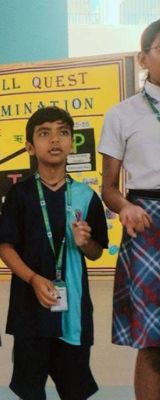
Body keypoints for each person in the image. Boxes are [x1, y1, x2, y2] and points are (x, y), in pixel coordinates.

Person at [0, 107, 107, 400]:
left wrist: (85, 243)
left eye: (63, 132)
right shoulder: (19, 194)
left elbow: (96, 252)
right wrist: (33, 279)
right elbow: (5, 247)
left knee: (75, 389)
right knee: (30, 390)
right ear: (30, 147)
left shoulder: (86, 196)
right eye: (44, 133)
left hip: (73, 312)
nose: (55, 139)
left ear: (72, 143)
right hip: (29, 311)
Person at [99, 18, 160, 400]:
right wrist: (125, 207)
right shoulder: (121, 114)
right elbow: (108, 188)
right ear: (143, 58)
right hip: (147, 225)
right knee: (152, 342)